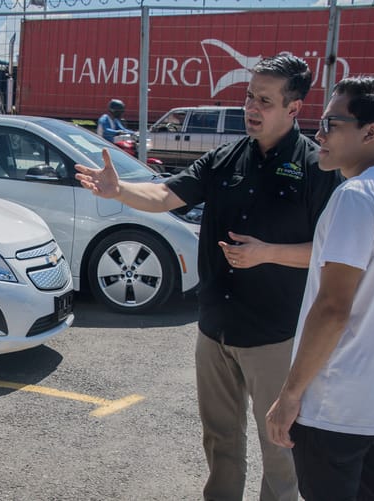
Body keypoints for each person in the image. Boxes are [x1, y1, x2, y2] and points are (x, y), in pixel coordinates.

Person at [75, 55, 342, 501]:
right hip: (215, 329)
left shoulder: (317, 168)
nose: (251, 108)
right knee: (219, 441)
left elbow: (330, 254)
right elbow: (165, 194)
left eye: (265, 101)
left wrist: (266, 254)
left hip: (275, 337)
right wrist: (118, 189)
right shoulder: (226, 157)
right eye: (248, 97)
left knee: (281, 449)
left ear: (294, 108)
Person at [265, 77, 374, 500]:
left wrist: (289, 395)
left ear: (370, 132)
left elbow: (334, 307)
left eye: (331, 123)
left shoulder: (355, 196)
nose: (318, 134)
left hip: (336, 410)